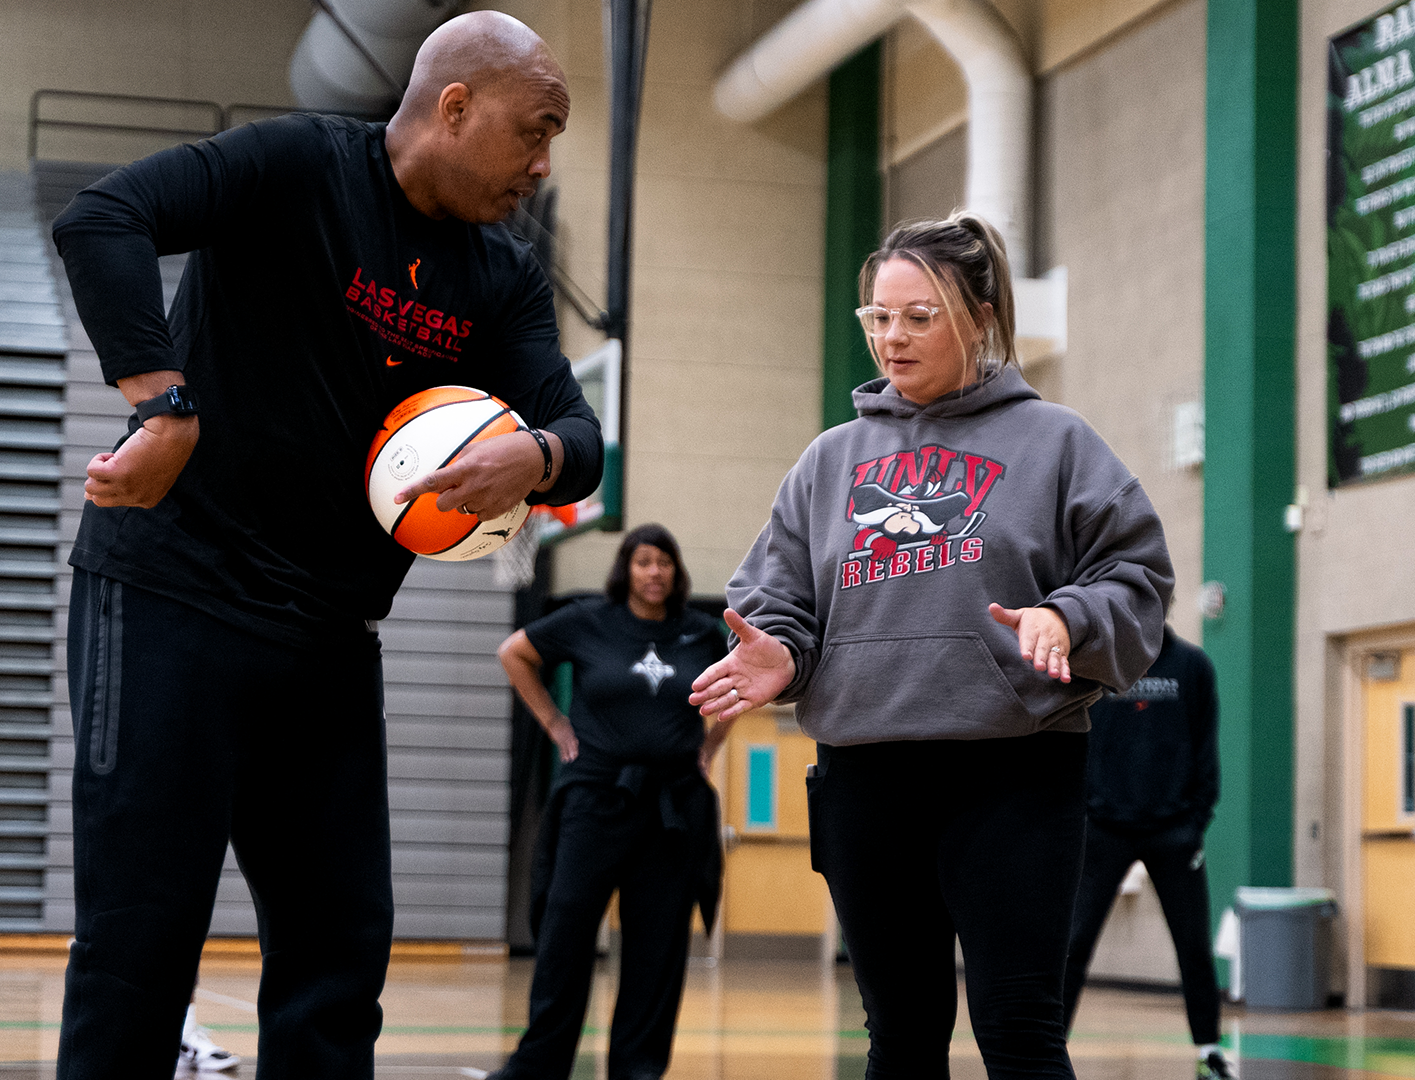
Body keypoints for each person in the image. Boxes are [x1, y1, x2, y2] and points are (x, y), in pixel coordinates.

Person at [48, 12, 603, 1079]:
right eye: (535, 132)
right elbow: (103, 216)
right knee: (140, 941)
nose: (542, 165)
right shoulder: (295, 164)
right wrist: (163, 404)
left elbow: (580, 439)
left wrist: (529, 456)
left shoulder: (502, 277)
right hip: (170, 593)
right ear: (455, 106)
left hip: (329, 642)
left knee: (338, 959)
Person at [690, 212, 1173, 1080]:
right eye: (878, 316)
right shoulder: (828, 462)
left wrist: (1065, 616)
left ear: (978, 317)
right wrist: (787, 655)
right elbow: (780, 597)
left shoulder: (1057, 443)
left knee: (1019, 1033)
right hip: (866, 777)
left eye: (919, 316)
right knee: (901, 1038)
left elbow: (1136, 577)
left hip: (1014, 775)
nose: (892, 338)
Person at [489, 524, 730, 1080]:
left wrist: (712, 743)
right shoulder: (586, 620)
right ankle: (538, 1066)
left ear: (676, 571)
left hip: (671, 810)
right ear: (627, 568)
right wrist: (553, 721)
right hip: (594, 801)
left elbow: (738, 686)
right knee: (564, 935)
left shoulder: (701, 633)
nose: (654, 572)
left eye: (664, 562)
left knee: (656, 947)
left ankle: (637, 1070)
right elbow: (514, 654)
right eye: (644, 561)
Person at [1060, 622, 1229, 1080]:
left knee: (1193, 945)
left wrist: (1195, 823)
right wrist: (1084, 813)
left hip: (1174, 831)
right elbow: (1072, 738)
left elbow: (1206, 747)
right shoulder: (1097, 662)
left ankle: (1209, 1050)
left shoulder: (1192, 666)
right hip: (1103, 831)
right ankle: (1048, 1050)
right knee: (1071, 946)